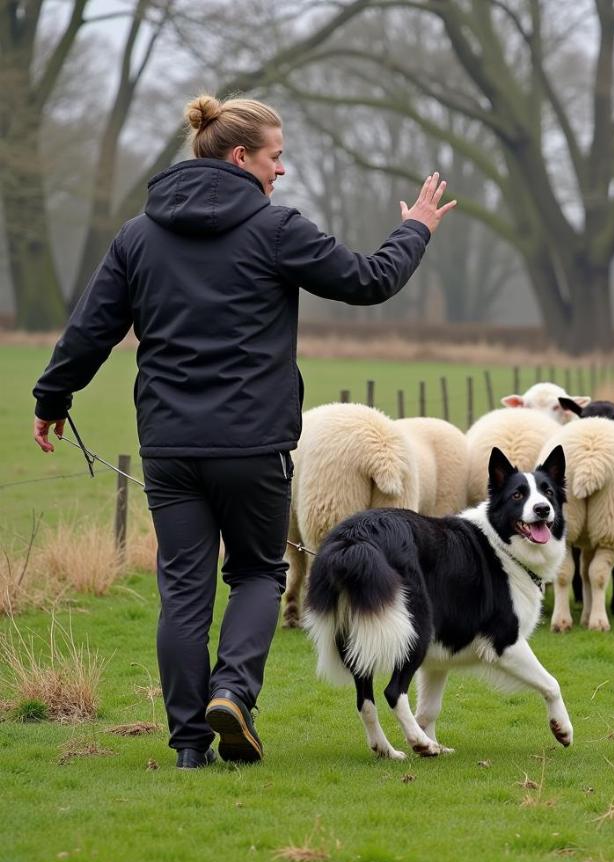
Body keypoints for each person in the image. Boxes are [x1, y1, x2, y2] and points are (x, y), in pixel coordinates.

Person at [32, 94, 455, 769]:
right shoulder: (275, 229)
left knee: (183, 590)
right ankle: (232, 692)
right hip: (254, 446)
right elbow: (370, 281)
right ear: (240, 157)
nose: (281, 170)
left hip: (170, 447)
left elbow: (89, 332)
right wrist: (418, 228)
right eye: (275, 156)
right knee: (259, 571)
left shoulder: (137, 236)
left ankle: (188, 744)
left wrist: (53, 397)